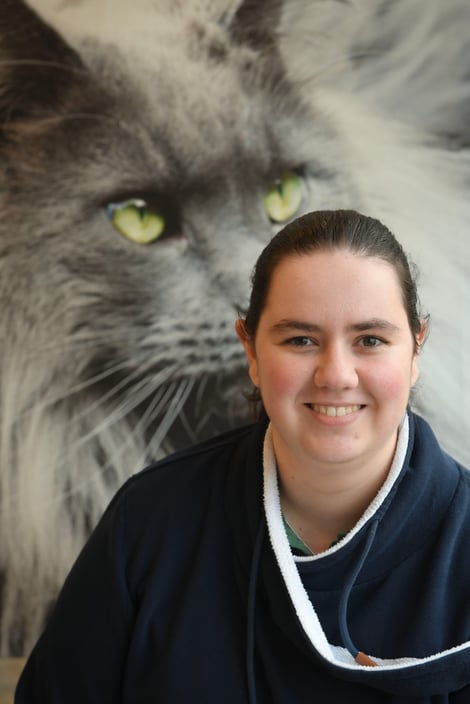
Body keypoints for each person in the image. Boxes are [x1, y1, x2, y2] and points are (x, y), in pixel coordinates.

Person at [15, 210, 470, 702]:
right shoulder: (147, 521)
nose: (336, 375)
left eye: (370, 340)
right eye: (301, 340)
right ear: (251, 352)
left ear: (415, 350)